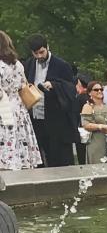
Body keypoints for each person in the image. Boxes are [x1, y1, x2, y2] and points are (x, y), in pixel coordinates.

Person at [22, 34, 78, 167]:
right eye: (36, 53)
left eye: (42, 52)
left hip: (55, 118)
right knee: (39, 154)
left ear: (47, 47)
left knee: (58, 156)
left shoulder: (61, 65)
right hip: (36, 115)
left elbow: (71, 89)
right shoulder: (29, 64)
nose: (39, 56)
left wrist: (54, 85)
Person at [0, 30, 42, 170]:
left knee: (6, 137)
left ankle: (7, 164)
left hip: (3, 106)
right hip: (18, 106)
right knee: (20, 136)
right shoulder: (17, 64)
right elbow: (23, 83)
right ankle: (22, 162)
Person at [79, 81, 107, 164]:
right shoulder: (88, 106)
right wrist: (101, 126)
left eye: (101, 89)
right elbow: (85, 125)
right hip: (96, 141)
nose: (99, 91)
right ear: (89, 92)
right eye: (96, 89)